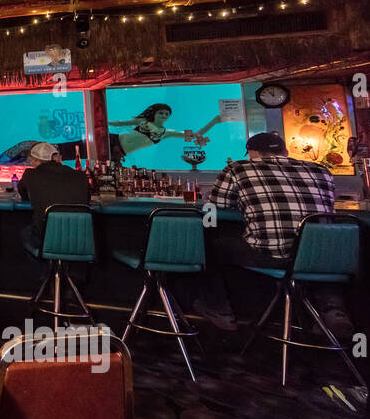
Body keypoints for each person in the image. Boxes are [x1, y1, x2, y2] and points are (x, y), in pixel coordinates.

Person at [198, 131, 345, 334]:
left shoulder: (238, 168)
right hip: (324, 257)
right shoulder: (321, 169)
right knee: (311, 251)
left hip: (272, 256)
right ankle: (332, 309)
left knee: (207, 246)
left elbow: (216, 206)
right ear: (285, 152)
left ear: (253, 153)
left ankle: (220, 310)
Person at [17, 141, 90, 250]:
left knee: (25, 232)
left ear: (36, 160)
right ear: (56, 158)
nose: (30, 163)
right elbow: (87, 199)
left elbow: (23, 195)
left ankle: (43, 265)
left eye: (31, 160)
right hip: (83, 237)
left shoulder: (30, 175)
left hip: (47, 236)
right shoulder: (80, 176)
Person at [107, 102, 219, 163]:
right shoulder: (143, 121)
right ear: (154, 113)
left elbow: (196, 135)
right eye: (161, 113)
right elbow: (121, 123)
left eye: (166, 114)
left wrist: (214, 121)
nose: (164, 116)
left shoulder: (166, 133)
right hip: (112, 140)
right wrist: (104, 122)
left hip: (119, 153)